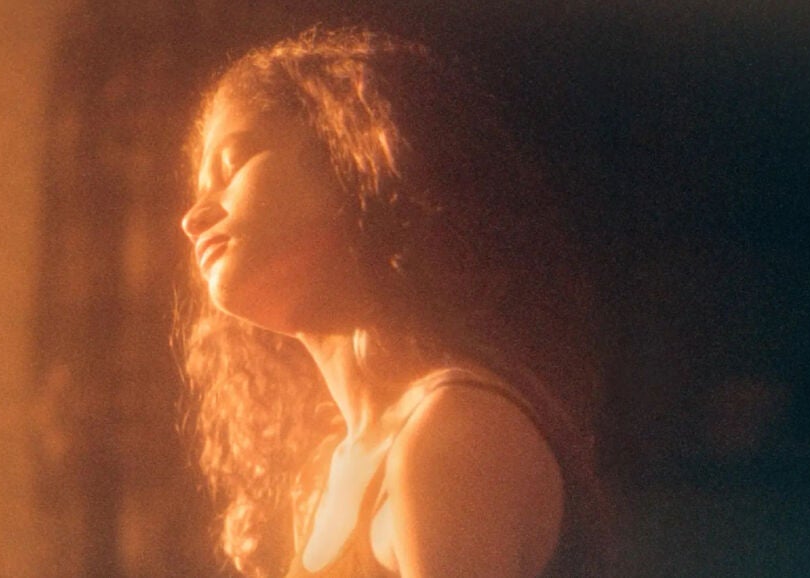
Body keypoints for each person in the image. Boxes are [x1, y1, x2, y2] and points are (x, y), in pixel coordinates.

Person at [178, 28, 610, 577]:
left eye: (232, 163)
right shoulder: (330, 475)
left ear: (348, 154)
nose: (193, 218)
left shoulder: (454, 432)